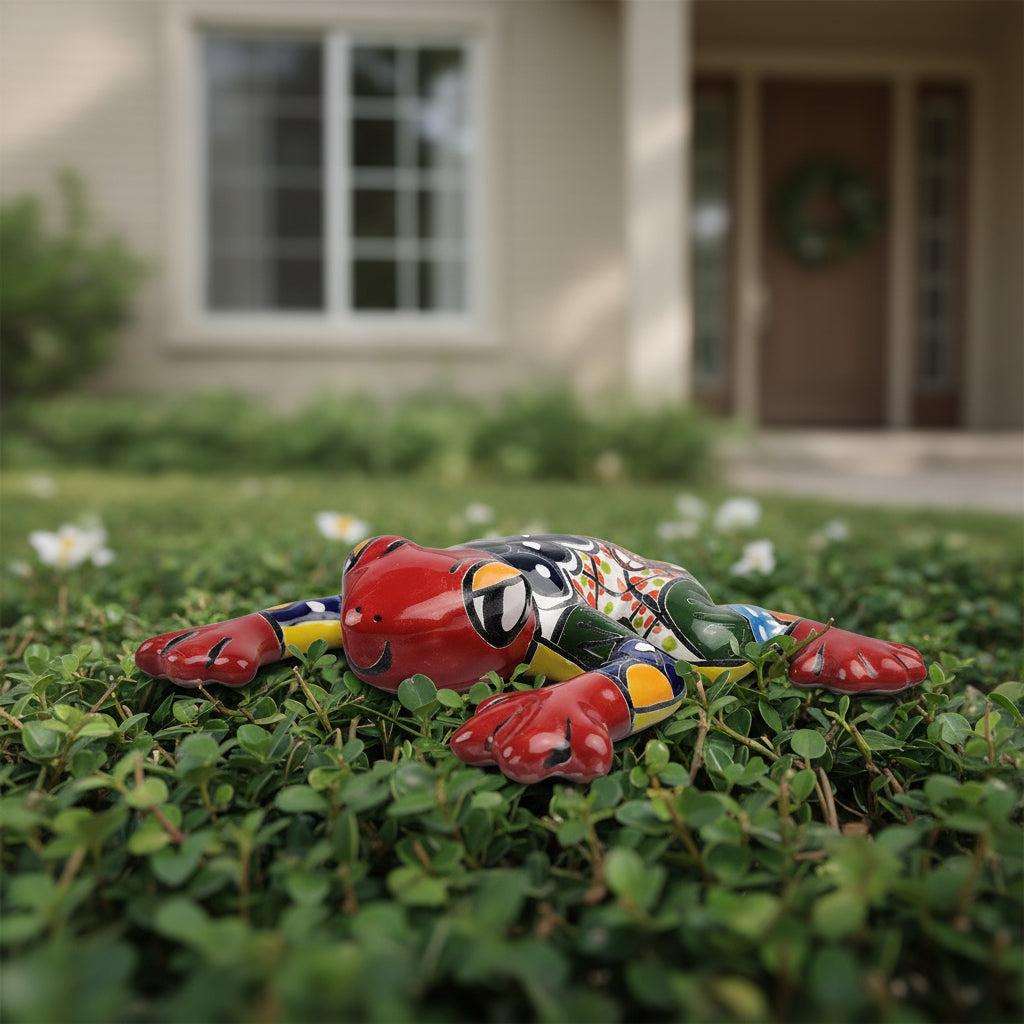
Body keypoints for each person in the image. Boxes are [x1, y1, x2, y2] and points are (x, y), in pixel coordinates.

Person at [136, 534, 925, 783]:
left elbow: (656, 667)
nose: (358, 623)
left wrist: (585, 700)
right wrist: (259, 631)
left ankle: (804, 633)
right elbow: (340, 615)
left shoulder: (542, 620)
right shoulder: (369, 603)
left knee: (708, 645)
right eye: (358, 578)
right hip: (504, 557)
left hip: (629, 581)